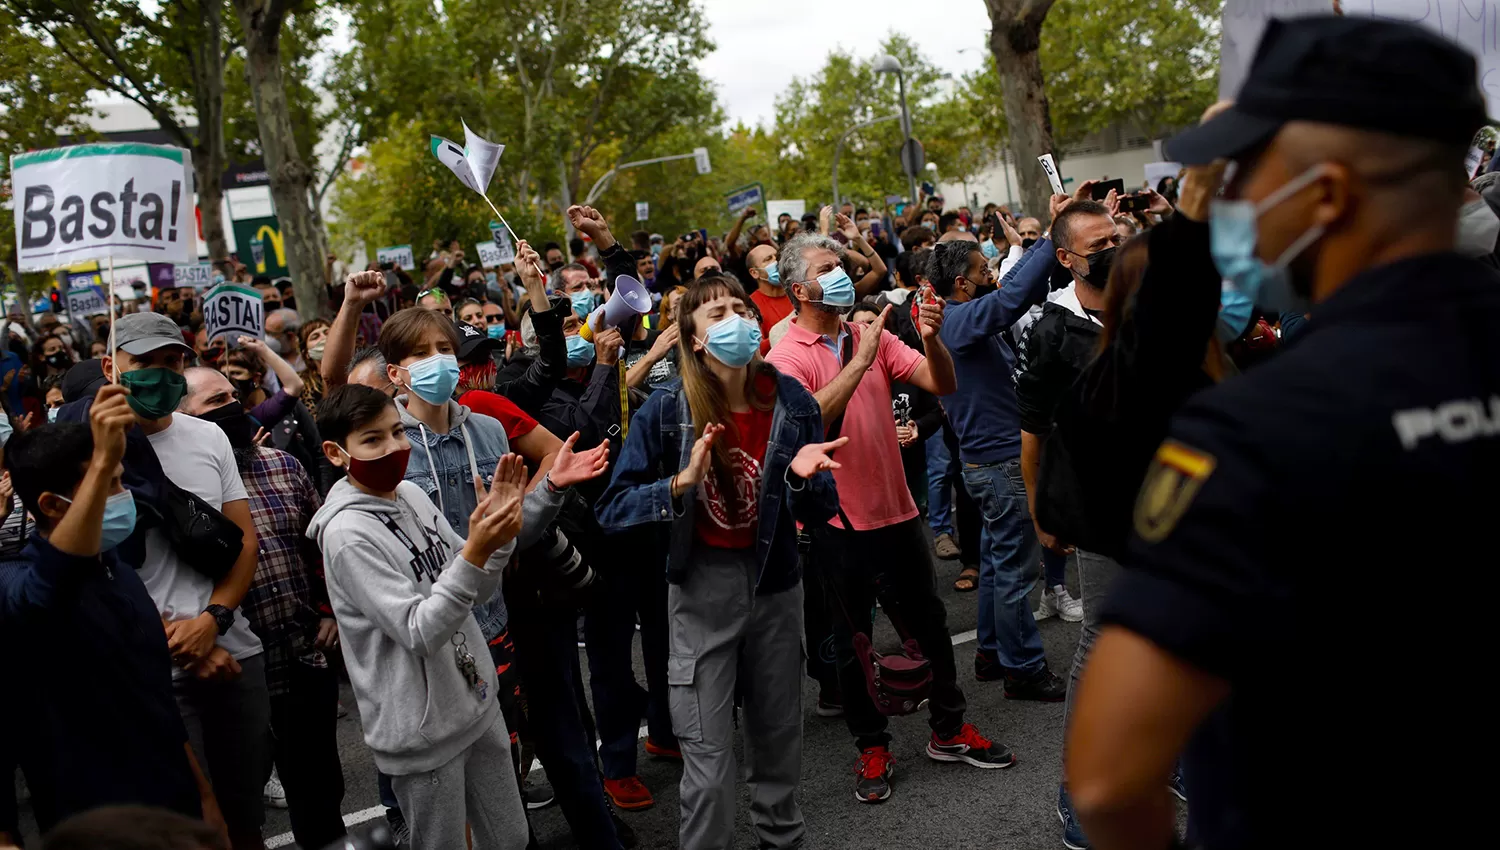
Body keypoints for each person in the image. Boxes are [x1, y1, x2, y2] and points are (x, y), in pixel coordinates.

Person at [1066, 17, 1495, 850]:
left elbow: (1112, 779)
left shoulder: (1259, 431)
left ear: (1327, 197)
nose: (1240, 204)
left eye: (1252, 176)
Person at [596, 275, 843, 850]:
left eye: (741, 309)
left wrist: (804, 480)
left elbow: (822, 504)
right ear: (695, 340)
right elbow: (612, 507)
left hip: (776, 588)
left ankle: (781, 840)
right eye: (716, 315)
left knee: (778, 743)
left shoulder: (793, 401)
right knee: (706, 761)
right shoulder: (666, 410)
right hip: (701, 593)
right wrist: (679, 485)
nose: (736, 321)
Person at [767, 233, 1011, 805]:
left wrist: (930, 337)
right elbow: (807, 421)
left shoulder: (866, 332)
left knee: (930, 627)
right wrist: (860, 359)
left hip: (899, 512)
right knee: (853, 643)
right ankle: (872, 747)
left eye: (842, 266)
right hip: (837, 524)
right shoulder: (786, 356)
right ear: (799, 289)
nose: (842, 276)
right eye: (828, 269)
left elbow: (941, 383)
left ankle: (948, 730)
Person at [69, 312, 267, 850]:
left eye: (172, 362)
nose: (161, 373)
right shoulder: (79, 449)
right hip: (147, 667)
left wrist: (215, 618)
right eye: (145, 363)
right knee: (187, 827)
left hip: (235, 652)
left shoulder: (208, 436)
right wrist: (178, 643)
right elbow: (85, 569)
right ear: (112, 367)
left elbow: (245, 540)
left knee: (247, 816)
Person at [309, 384, 530, 850]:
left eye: (397, 432)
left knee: (511, 838)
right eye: (372, 439)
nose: (394, 448)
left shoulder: (409, 493)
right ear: (335, 452)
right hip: (421, 733)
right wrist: (475, 551)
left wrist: (498, 540)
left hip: (474, 702)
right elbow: (419, 630)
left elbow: (478, 592)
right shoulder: (347, 534)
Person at [0, 389, 224, 841]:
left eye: (121, 480)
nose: (123, 497)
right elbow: (50, 587)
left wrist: (204, 799)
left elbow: (155, 701)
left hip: (171, 807)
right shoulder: (13, 583)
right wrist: (101, 458)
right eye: (107, 485)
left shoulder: (116, 569)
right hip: (94, 823)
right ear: (49, 505)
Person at [179, 368, 347, 849]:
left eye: (235, 395)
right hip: (231, 670)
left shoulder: (283, 465)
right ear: (185, 417)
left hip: (302, 656)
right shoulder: (181, 487)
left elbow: (319, 548)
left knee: (320, 793)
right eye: (216, 402)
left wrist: (329, 609)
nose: (233, 406)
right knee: (240, 805)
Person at [931, 202, 1074, 698]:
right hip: (998, 464)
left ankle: (992, 652)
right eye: (981, 269)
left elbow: (1024, 289)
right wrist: (1054, 230)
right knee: (1016, 571)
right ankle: (1024, 669)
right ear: (960, 283)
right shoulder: (957, 321)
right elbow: (1012, 297)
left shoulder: (964, 316)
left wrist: (1048, 246)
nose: (990, 273)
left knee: (997, 564)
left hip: (993, 462)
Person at [1014, 199, 1127, 624]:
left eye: (1117, 238)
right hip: (1101, 504)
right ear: (1066, 258)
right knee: (1105, 631)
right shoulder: (1052, 331)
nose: (1114, 249)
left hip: (1174, 490)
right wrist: (1040, 509)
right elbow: (1033, 428)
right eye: (1100, 245)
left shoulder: (1149, 301)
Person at [745, 243, 790, 355]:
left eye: (777, 257)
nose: (776, 262)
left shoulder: (798, 292)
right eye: (768, 259)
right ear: (754, 273)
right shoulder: (750, 305)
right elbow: (757, 349)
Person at [297, 318, 330, 416]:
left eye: (327, 332)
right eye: (315, 337)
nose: (324, 338)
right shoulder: (303, 383)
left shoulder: (355, 368)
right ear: (306, 353)